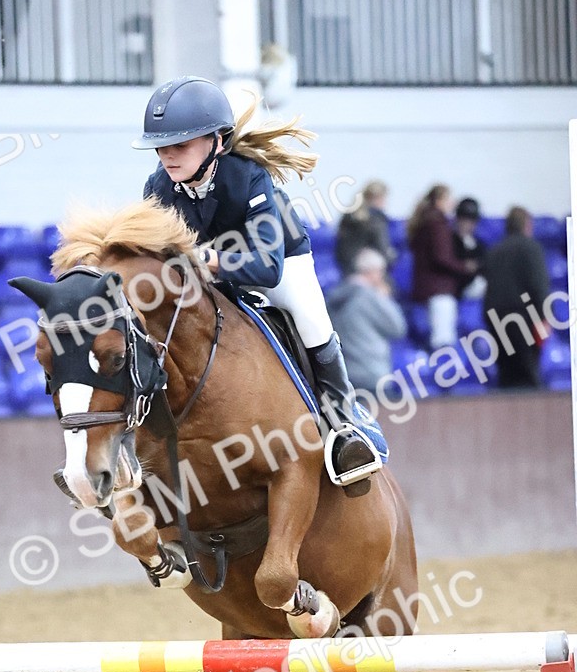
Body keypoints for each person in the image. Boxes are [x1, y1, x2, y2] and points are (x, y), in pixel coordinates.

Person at [132, 75, 381, 496]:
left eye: (181, 144)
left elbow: (267, 268)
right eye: (161, 147)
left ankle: (344, 425)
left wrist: (209, 260)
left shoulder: (248, 176)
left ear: (217, 142)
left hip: (280, 259)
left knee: (310, 319)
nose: (167, 155)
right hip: (208, 270)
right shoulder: (157, 187)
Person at [483, 207, 550, 389]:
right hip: (522, 318)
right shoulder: (531, 248)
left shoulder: (494, 251)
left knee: (506, 374)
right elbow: (538, 284)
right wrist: (544, 316)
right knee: (527, 373)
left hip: (496, 317)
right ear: (527, 225)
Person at [326, 248, 407, 394]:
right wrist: (384, 298)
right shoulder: (370, 297)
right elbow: (398, 328)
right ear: (372, 271)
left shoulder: (337, 294)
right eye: (381, 271)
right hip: (372, 373)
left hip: (345, 373)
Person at [408, 184, 477, 349]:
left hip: (426, 288)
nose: (452, 203)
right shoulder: (437, 225)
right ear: (440, 201)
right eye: (449, 199)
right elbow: (442, 258)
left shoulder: (423, 222)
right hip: (439, 291)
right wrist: (465, 267)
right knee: (443, 342)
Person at [335, 180, 395, 276]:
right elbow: (382, 247)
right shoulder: (376, 219)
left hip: (347, 265)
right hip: (363, 268)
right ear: (379, 198)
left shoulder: (349, 215)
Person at [453, 197, 488, 299]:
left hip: (479, 288)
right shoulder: (450, 242)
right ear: (457, 220)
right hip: (459, 289)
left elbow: (485, 264)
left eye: (471, 221)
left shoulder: (479, 244)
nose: (467, 225)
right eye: (463, 220)